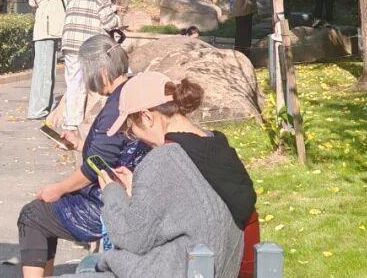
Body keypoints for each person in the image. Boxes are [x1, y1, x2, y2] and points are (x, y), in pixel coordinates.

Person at [79, 72, 254, 277]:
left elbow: (131, 238)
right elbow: (191, 200)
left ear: (147, 117)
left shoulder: (162, 160)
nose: (134, 137)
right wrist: (138, 188)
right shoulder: (215, 145)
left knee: (87, 266)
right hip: (215, 265)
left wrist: (112, 191)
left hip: (179, 269)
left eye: (131, 130)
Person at [17, 34, 147, 277]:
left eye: (86, 73)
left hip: (107, 200)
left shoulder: (117, 105)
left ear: (102, 72)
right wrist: (80, 144)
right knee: (42, 214)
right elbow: (113, 149)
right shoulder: (129, 90)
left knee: (32, 216)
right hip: (119, 188)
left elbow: (96, 167)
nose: (86, 80)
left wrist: (58, 189)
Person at [61, 0, 120, 135]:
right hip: (89, 45)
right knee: (96, 81)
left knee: (74, 83)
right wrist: (117, 18)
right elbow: (109, 22)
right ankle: (90, 123)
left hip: (70, 42)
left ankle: (70, 123)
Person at [27, 0, 70, 120]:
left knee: (49, 73)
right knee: (43, 73)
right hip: (45, 33)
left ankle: (44, 107)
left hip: (50, 33)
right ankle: (37, 110)